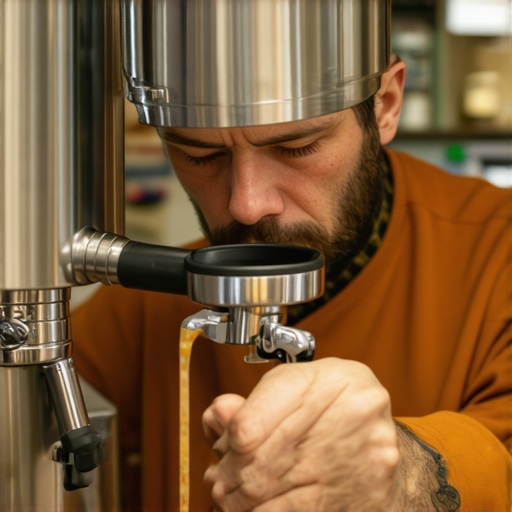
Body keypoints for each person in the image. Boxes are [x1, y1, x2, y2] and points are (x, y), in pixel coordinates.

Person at [72, 52, 511, 511]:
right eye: (200, 156)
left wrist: (409, 477)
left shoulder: (496, 251)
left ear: (385, 103)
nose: (247, 205)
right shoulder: (142, 310)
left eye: (296, 148)